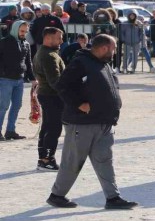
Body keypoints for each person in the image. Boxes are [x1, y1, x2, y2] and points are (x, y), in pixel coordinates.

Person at [47, 34, 138, 209]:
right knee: (72, 162)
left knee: (105, 161)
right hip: (82, 124)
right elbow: (62, 86)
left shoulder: (104, 64)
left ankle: (113, 198)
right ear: (104, 48)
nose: (114, 52)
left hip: (104, 122)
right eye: (113, 49)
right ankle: (56, 195)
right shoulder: (80, 63)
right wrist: (79, 104)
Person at [33, 27, 66, 171]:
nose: (61, 41)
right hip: (52, 96)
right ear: (48, 38)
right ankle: (47, 159)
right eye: (59, 38)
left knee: (47, 126)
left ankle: (43, 158)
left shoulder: (43, 52)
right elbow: (55, 81)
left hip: (46, 94)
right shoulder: (49, 55)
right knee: (53, 127)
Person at [0, 20, 36, 141]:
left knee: (17, 106)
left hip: (19, 79)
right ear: (15, 29)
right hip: (5, 79)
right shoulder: (4, 42)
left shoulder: (26, 44)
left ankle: (10, 131)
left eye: (25, 32)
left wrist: (33, 78)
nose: (24, 34)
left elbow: (28, 62)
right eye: (22, 31)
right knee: (3, 106)